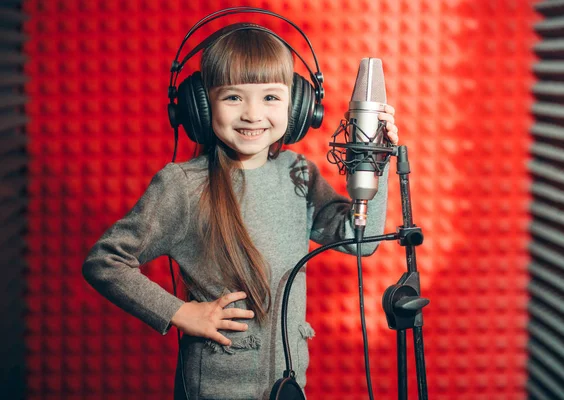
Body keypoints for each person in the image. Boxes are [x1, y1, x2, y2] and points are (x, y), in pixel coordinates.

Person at [82, 25, 399, 400]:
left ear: (298, 107)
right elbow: (105, 261)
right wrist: (180, 313)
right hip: (215, 390)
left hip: (288, 385)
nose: (253, 114)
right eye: (233, 97)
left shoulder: (299, 174)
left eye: (270, 97)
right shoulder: (183, 185)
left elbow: (358, 241)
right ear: (201, 105)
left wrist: (374, 163)